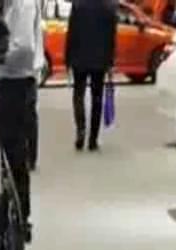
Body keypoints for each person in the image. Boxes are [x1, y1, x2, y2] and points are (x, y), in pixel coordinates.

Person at [0, 0, 44, 237]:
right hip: (12, 84)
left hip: (17, 84)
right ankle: (17, 217)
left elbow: (24, 51)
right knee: (11, 154)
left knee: (11, 155)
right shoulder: (9, 5)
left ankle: (19, 219)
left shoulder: (22, 4)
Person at [65, 0, 116, 151]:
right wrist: (110, 62)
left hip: (79, 58)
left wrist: (67, 59)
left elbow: (71, 32)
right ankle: (93, 139)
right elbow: (112, 38)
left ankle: (80, 130)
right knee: (97, 98)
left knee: (78, 95)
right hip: (100, 60)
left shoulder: (78, 5)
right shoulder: (109, 6)